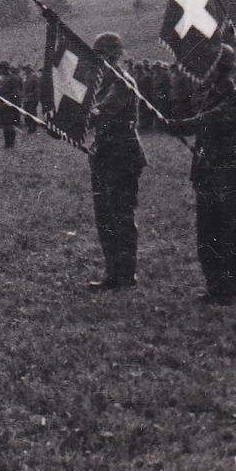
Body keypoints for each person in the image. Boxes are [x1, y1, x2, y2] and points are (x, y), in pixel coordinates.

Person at [161, 44, 236, 305]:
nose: (204, 71)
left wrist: (182, 125)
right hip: (207, 168)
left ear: (222, 68)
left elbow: (212, 119)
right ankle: (214, 284)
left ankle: (231, 288)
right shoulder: (206, 93)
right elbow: (200, 122)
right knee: (208, 231)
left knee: (231, 230)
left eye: (209, 66)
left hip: (230, 168)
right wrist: (177, 125)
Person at [86, 33, 147, 291]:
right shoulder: (104, 83)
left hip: (122, 155)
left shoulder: (123, 82)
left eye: (102, 55)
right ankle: (113, 274)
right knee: (105, 218)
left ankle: (126, 275)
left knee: (120, 215)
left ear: (113, 55)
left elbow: (101, 112)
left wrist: (76, 119)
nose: (99, 60)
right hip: (104, 154)